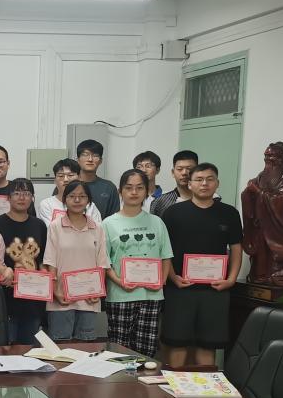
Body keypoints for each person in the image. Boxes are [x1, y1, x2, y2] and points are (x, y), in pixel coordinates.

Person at [161, 163, 243, 368]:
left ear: (217, 183)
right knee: (177, 343)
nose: (204, 183)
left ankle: (206, 387)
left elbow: (236, 248)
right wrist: (172, 277)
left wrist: (231, 279)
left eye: (209, 179)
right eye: (198, 179)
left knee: (208, 345)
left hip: (215, 290)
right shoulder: (173, 213)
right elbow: (164, 250)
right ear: (189, 184)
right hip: (180, 288)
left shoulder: (229, 213)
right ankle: (174, 385)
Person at [103, 169, 173, 358]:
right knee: (118, 351)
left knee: (146, 351)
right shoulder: (108, 223)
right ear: (120, 191)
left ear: (147, 191)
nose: (134, 192)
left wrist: (161, 281)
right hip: (120, 295)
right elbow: (104, 261)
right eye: (128, 188)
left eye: (139, 188)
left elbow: (166, 256)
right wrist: (119, 281)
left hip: (151, 295)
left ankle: (143, 379)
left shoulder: (157, 222)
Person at [42, 180, 110, 341]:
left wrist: (98, 291)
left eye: (82, 196)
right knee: (61, 344)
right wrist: (55, 291)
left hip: (89, 298)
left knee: (86, 345)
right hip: (61, 297)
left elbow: (102, 263)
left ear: (89, 200)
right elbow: (50, 261)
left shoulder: (97, 228)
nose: (77, 200)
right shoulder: (55, 226)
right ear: (65, 199)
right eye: (72, 196)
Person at [240, 142, 283, 285]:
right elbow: (253, 188)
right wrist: (249, 191)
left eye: (271, 156)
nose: (267, 159)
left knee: (279, 258)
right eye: (266, 155)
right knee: (261, 250)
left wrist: (257, 191)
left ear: (281, 158)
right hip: (263, 221)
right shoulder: (263, 175)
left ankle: (282, 274)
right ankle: (261, 275)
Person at [0, 178, 48, 345]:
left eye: (26, 193)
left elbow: (43, 259)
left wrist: (46, 277)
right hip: (5, 297)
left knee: (29, 348)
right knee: (5, 347)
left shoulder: (39, 225)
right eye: (16, 193)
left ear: (32, 198)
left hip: (33, 298)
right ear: (8, 198)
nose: (22, 197)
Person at [37, 159, 102, 227]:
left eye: (70, 175)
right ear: (55, 180)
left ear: (79, 178)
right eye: (61, 176)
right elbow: (50, 230)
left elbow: (97, 230)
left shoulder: (89, 206)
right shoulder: (47, 204)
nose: (66, 179)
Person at [75, 140, 119, 219]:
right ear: (78, 159)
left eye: (95, 155)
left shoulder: (109, 187)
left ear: (101, 161)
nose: (90, 159)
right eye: (85, 155)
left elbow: (114, 219)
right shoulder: (68, 185)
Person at [151, 150, 198, 217]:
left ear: (198, 172)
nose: (184, 173)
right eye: (180, 169)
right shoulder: (160, 202)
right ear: (173, 172)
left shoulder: (208, 199)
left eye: (189, 169)